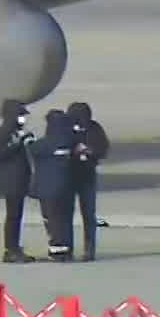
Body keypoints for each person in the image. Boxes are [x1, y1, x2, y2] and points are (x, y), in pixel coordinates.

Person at [27, 109, 76, 262]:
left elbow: (32, 149)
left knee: (51, 220)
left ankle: (56, 251)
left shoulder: (46, 144)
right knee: (65, 219)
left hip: (48, 190)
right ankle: (66, 250)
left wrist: (28, 139)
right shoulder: (69, 142)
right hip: (66, 189)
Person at [0, 99, 36, 264]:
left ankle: (15, 247)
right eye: (20, 116)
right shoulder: (3, 133)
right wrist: (17, 144)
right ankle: (11, 249)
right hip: (11, 182)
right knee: (13, 217)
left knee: (17, 216)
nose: (22, 119)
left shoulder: (16, 132)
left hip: (19, 180)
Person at [66, 101, 110, 262]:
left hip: (87, 175)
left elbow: (103, 148)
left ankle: (89, 250)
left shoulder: (94, 128)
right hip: (69, 175)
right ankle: (67, 247)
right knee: (67, 215)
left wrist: (90, 151)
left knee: (88, 215)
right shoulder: (65, 127)